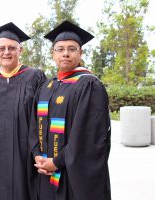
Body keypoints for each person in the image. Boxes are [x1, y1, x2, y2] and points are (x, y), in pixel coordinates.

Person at [28, 20, 111, 200]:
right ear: (53, 54)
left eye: (72, 49)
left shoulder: (89, 85)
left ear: (80, 53)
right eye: (60, 49)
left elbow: (88, 137)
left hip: (72, 177)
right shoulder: (46, 86)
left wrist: (56, 162)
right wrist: (38, 156)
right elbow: (34, 126)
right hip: (45, 173)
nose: (65, 53)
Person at [0, 22, 46, 200]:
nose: (6, 52)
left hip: (27, 153)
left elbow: (45, 116)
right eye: (1, 49)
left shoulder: (35, 77)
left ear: (20, 50)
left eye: (11, 48)